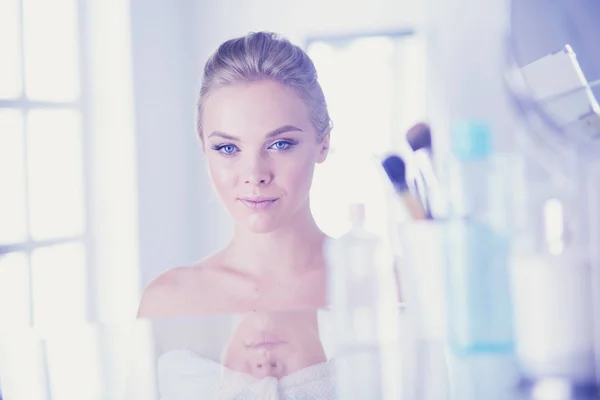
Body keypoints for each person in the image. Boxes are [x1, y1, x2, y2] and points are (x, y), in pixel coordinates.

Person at [137, 31, 333, 318]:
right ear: (204, 148)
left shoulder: (395, 286)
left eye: (279, 144)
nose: (255, 174)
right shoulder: (167, 302)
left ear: (323, 144)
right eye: (228, 148)